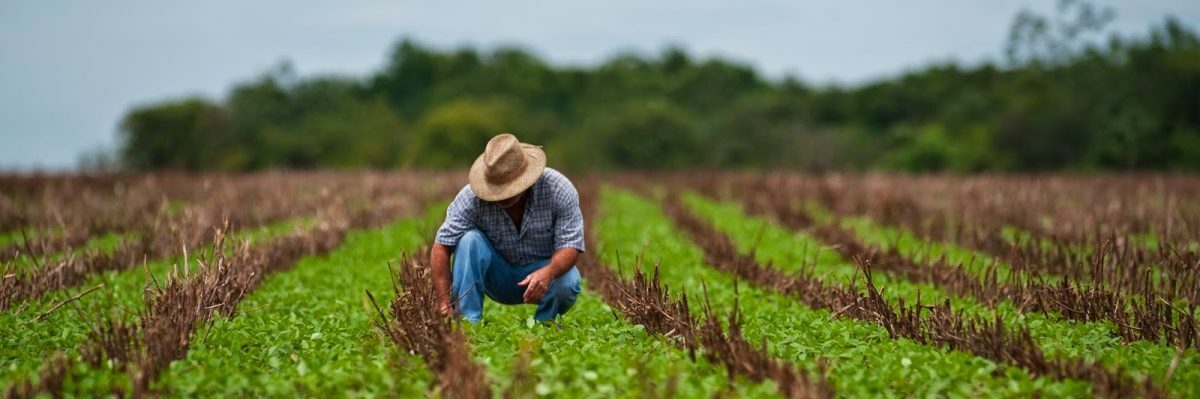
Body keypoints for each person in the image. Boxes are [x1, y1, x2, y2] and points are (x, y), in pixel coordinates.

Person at [430, 133, 584, 323]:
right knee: (469, 240)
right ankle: (467, 324)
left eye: (509, 187)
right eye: (498, 188)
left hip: (543, 272)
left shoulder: (558, 189)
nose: (503, 196)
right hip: (497, 277)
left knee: (568, 280)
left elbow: (571, 245)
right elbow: (441, 246)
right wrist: (444, 302)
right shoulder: (471, 198)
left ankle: (545, 325)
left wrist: (549, 272)